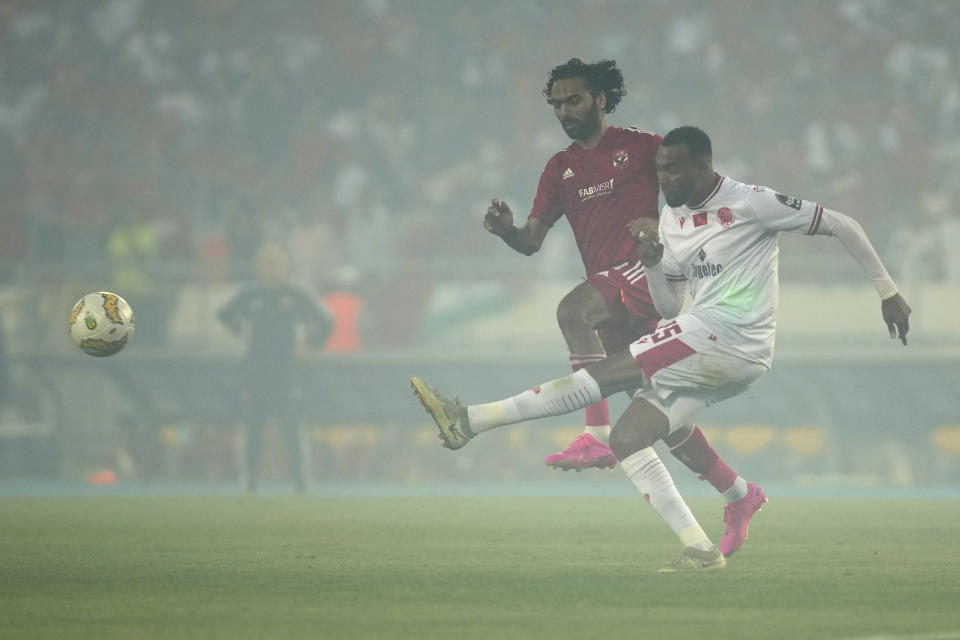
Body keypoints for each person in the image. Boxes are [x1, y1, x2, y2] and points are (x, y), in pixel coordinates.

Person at [413, 126, 911, 571]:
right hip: (715, 345)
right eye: (660, 170)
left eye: (673, 169)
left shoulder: (750, 201)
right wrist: (652, 260)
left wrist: (887, 292)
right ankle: (701, 547)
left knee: (605, 376)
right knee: (629, 438)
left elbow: (843, 224)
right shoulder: (670, 220)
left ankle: (470, 420)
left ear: (703, 166)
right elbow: (669, 305)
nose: (664, 177)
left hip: (726, 336)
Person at [484, 58, 763, 557]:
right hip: (612, 302)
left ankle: (593, 434)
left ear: (600, 99)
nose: (564, 110)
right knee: (662, 420)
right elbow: (531, 241)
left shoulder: (644, 147)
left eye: (574, 99)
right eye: (556, 103)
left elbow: (698, 189)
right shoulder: (560, 168)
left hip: (645, 274)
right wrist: (506, 230)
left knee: (572, 311)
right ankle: (739, 494)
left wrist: (680, 234)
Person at [219, 243, 333, 492]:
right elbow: (224, 314)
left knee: (292, 425)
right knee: (254, 426)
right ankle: (249, 480)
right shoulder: (250, 294)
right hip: (257, 370)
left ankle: (300, 481)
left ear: (285, 266)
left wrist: (310, 344)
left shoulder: (296, 294)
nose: (271, 268)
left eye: (276, 262)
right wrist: (240, 330)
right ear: (258, 266)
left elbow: (325, 321)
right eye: (266, 263)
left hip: (287, 371)